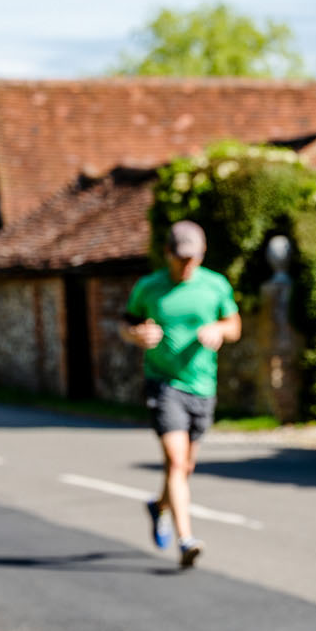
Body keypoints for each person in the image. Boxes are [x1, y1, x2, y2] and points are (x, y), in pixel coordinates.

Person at [119, 220, 240, 568]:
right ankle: (186, 540)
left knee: (184, 467)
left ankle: (158, 506)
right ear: (167, 254)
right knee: (175, 461)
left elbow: (235, 326)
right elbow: (126, 324)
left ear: (202, 255)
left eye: (193, 258)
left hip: (202, 385)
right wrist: (137, 335)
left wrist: (219, 328)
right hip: (163, 383)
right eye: (181, 258)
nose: (187, 265)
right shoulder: (149, 287)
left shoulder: (215, 285)